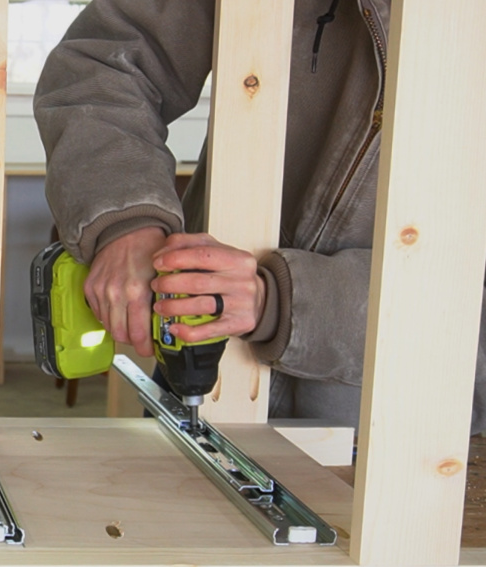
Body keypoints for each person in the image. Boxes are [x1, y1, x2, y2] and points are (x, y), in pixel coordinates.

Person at [34, 0, 486, 433]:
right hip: (212, 393)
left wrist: (285, 304)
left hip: (402, 439)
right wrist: (125, 219)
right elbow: (100, 67)